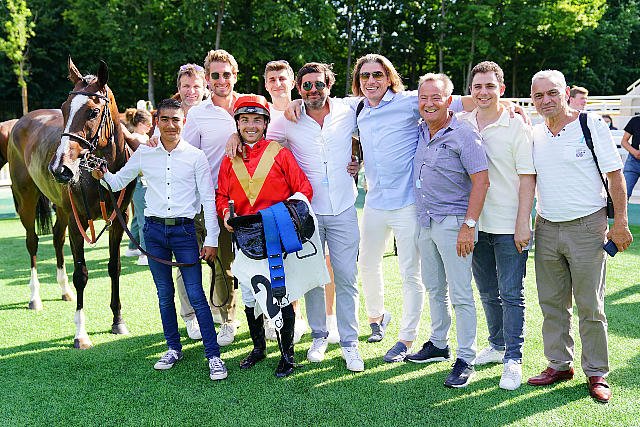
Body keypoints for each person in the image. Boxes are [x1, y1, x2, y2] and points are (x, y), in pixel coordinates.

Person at [92, 99, 227, 381]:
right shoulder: (144, 153)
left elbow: (208, 200)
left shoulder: (196, 156)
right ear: (157, 122)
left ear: (183, 123)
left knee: (196, 295)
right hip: (154, 233)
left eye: (175, 119)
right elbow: (117, 182)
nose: (170, 125)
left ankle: (213, 355)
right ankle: (173, 348)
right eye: (164, 119)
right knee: (164, 295)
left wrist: (212, 239)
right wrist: (102, 175)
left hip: (185, 232)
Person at [527, 70, 632, 403]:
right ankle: (559, 364)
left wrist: (620, 222)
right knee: (552, 304)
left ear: (567, 92)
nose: (546, 100)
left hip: (587, 226)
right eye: (538, 95)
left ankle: (597, 372)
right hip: (546, 227)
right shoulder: (534, 133)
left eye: (552, 93)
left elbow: (615, 176)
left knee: (590, 305)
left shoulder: (591, 125)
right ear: (532, 99)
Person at [267, 63, 364, 372]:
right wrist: (233, 137)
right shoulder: (288, 119)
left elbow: (373, 127)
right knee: (313, 278)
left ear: (329, 85)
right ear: (299, 88)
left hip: (344, 206)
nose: (313, 90)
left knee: (346, 277)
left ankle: (350, 342)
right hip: (307, 211)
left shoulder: (348, 110)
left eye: (319, 84)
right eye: (306, 85)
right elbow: (260, 142)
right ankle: (319, 336)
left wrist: (359, 158)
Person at [216, 95, 314, 377]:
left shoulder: (279, 153)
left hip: (275, 239)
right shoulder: (229, 159)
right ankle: (258, 348)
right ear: (237, 124)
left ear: (266, 123)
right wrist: (225, 213)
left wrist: (284, 218)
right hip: (244, 238)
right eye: (245, 120)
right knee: (249, 294)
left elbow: (304, 190)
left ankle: (287, 354)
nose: (251, 126)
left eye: (257, 120)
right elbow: (221, 194)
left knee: (282, 294)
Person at [406, 73, 489, 389]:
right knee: (434, 287)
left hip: (454, 224)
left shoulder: (464, 134)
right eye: (423, 98)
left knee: (461, 294)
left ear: (449, 101)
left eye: (436, 98)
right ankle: (439, 344)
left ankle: (466, 357)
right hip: (426, 222)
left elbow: (481, 181)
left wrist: (469, 226)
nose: (429, 103)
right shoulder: (420, 130)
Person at [458, 61, 535, 390]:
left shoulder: (516, 125)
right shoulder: (461, 123)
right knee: (488, 292)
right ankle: (497, 344)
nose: (484, 92)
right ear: (470, 90)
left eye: (490, 86)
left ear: (501, 90)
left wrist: (523, 222)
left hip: (508, 224)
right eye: (478, 86)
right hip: (475, 224)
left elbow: (527, 177)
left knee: (511, 293)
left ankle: (513, 358)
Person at [181, 49, 242, 346]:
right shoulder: (198, 114)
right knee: (221, 264)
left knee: (253, 261)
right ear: (207, 78)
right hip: (212, 201)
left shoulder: (249, 104)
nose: (221, 80)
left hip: (249, 200)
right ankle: (227, 320)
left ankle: (264, 317)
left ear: (235, 76)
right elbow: (185, 155)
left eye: (226, 74)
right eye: (215, 75)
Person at [262, 59, 313, 343]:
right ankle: (274, 315)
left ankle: (301, 316)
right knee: (272, 259)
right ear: (266, 84)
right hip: (271, 197)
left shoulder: (307, 107)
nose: (278, 83)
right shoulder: (262, 112)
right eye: (272, 79)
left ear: (293, 82)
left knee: (301, 259)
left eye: (282, 78)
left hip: (303, 194)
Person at [123, 108, 153, 266]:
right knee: (144, 217)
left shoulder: (143, 137)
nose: (151, 127)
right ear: (140, 124)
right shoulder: (135, 138)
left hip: (142, 181)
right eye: (148, 124)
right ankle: (144, 254)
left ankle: (132, 247)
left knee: (138, 216)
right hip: (140, 181)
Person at [621, 114, 640, 199]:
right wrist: (634, 152)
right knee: (624, 192)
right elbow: (624, 141)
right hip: (633, 161)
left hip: (633, 160)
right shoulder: (635, 120)